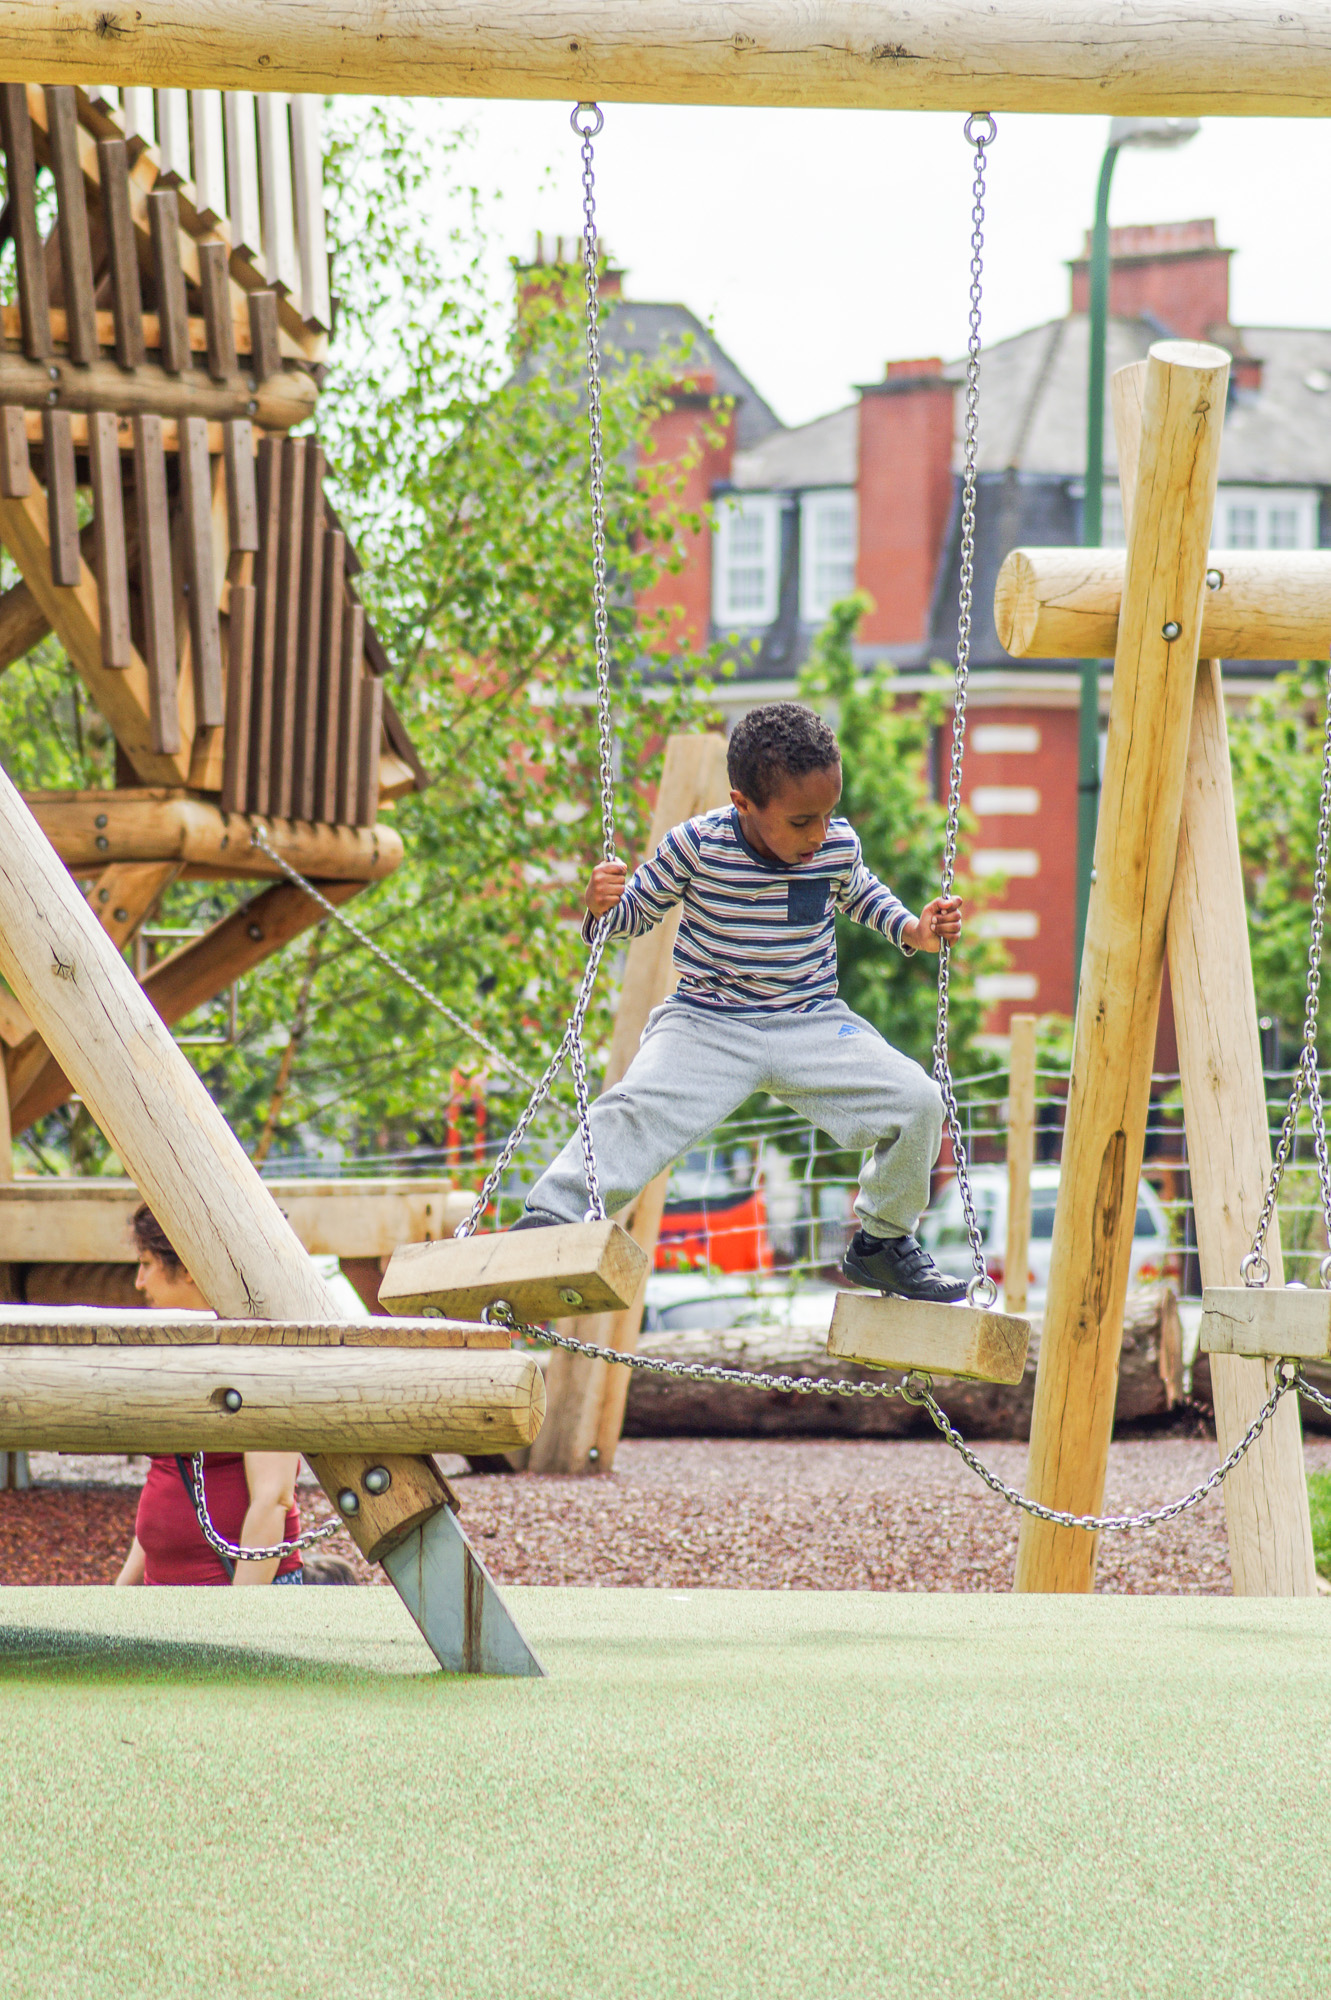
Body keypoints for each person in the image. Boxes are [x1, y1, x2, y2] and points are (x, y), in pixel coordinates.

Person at [517, 701, 968, 1302]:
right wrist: (601, 906)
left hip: (809, 1021)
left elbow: (862, 896)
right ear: (743, 803)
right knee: (632, 1106)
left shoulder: (834, 846)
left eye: (828, 815)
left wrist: (916, 930)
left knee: (919, 1102)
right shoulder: (697, 845)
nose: (819, 835)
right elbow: (632, 915)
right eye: (801, 821)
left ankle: (882, 1242)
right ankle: (553, 1216)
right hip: (707, 1023)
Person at [115, 1204, 305, 1587]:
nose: (139, 1282)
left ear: (189, 1266)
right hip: (165, 1592)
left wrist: (234, 1617)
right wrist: (120, 1595)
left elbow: (272, 1500)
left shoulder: (259, 1351)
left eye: (146, 1264)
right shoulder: (178, 1351)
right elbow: (171, 1477)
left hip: (237, 1595)